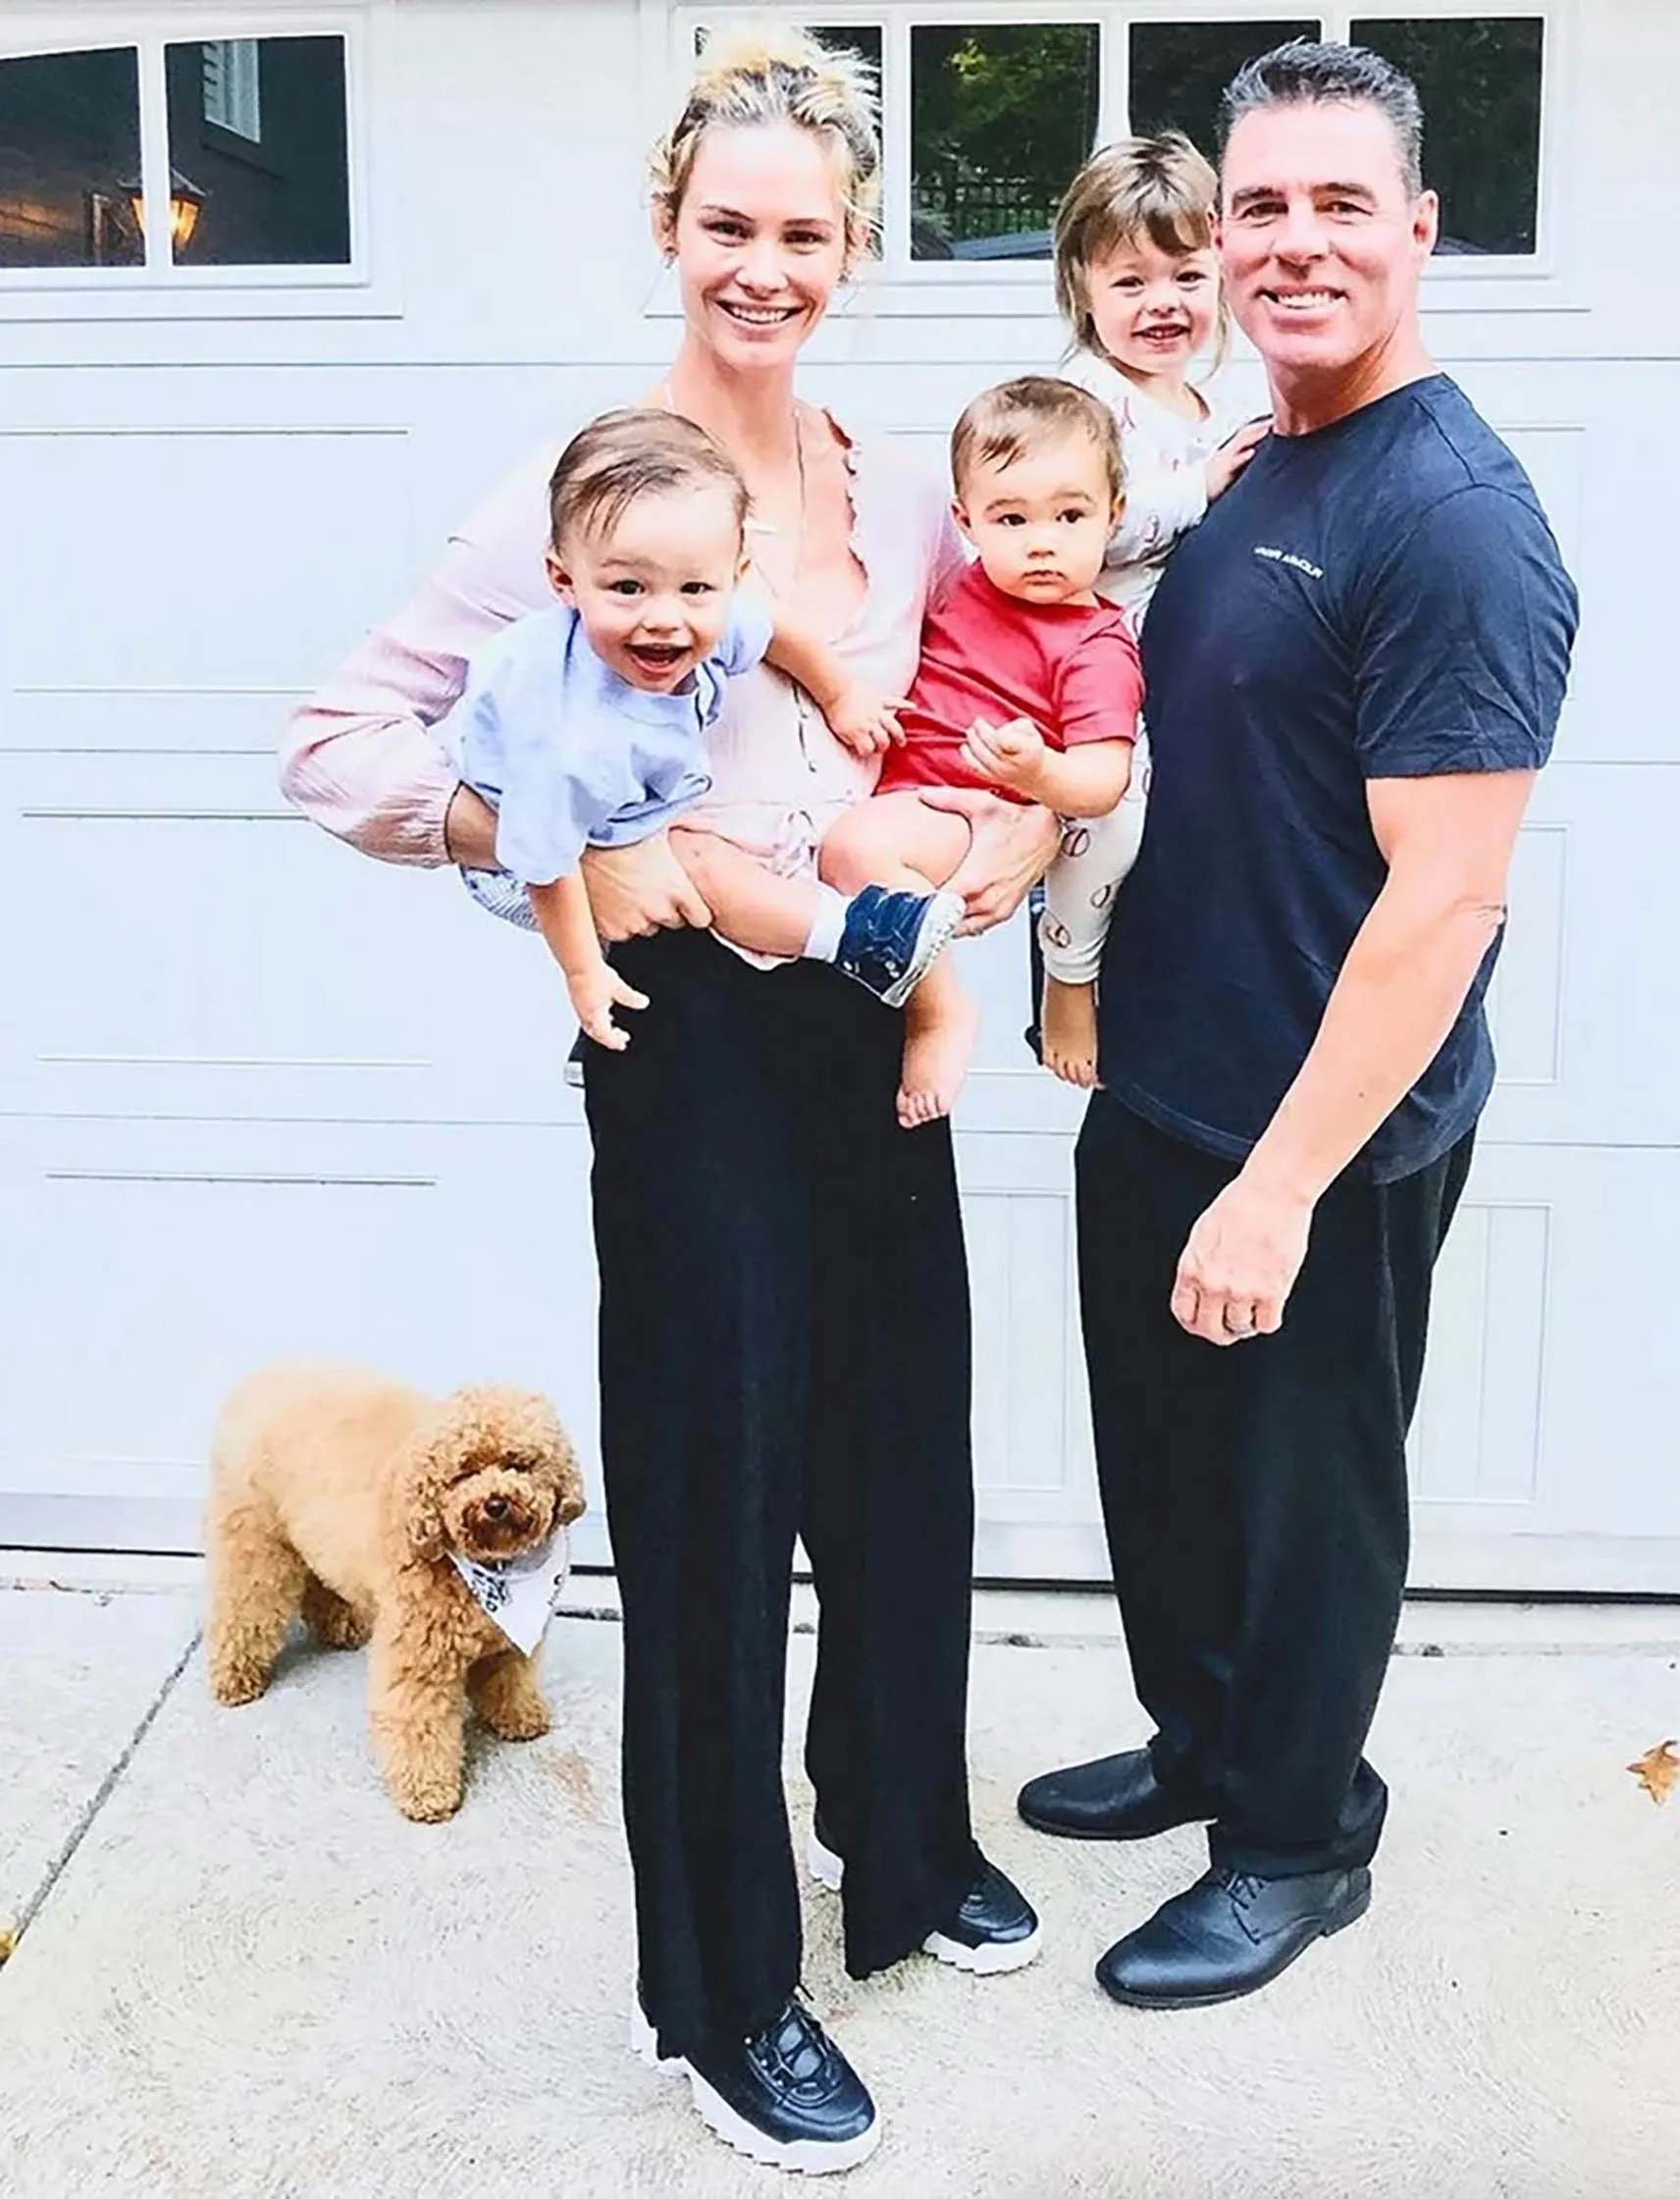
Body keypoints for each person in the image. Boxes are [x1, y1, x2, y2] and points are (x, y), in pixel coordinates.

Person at [281, 25, 1056, 2175]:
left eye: (805, 233)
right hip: (689, 1038)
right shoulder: (582, 498)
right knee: (718, 1501)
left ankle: (897, 1838)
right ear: (666, 225)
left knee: (899, 1456)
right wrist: (524, 842)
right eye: (729, 225)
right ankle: (716, 1996)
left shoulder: (902, 487)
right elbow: (334, 744)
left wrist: (1001, 843)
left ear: (855, 249)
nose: (765, 267)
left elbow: (975, 701)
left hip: (867, 1009)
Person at [1017, 40, 1580, 2013]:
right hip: (1165, 1075)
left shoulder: (1453, 519)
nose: (1294, 241)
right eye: (1261, 204)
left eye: (1343, 202)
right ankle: (1203, 1739)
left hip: (1321, 1136)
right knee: (1166, 1471)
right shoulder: (1244, 464)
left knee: (1306, 1504)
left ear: (1419, 228)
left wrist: (1276, 1189)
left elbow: (1445, 900)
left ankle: (1294, 1838)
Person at [450, 404, 961, 1052]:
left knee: (708, 852)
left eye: (694, 588)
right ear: (563, 579)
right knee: (700, 861)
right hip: (526, 854)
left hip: (616, 789)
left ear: (735, 577)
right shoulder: (565, 738)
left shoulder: (712, 612)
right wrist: (584, 974)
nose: (664, 617)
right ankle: (858, 938)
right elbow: (545, 864)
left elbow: (775, 631)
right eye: (627, 588)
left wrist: (842, 696)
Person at [817, 374, 1144, 1126]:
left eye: (1071, 515)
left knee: (854, 850)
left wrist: (1039, 770)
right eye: (1011, 517)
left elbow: (1104, 779)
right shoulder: (965, 588)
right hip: (904, 790)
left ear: (1114, 514)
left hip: (966, 809)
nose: (1041, 540)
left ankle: (939, 1010)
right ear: (965, 520)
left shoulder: (1096, 644)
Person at [1039, 131, 1269, 1087]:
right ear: (1081, 287)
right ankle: (1066, 975)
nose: (1161, 303)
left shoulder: (1201, 405)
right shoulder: (1082, 403)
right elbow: (1080, 531)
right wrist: (1200, 489)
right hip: (1090, 658)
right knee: (1114, 811)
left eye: (1185, 276)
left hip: (1168, 667)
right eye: (1129, 281)